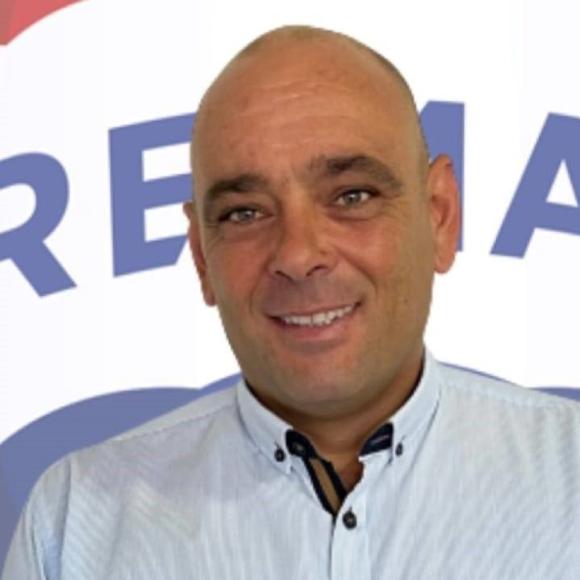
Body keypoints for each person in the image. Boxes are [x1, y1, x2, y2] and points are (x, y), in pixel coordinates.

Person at [3, 25, 580, 580]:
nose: (299, 255)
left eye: (351, 196)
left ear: (440, 217)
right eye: (245, 212)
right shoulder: (77, 522)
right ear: (201, 256)